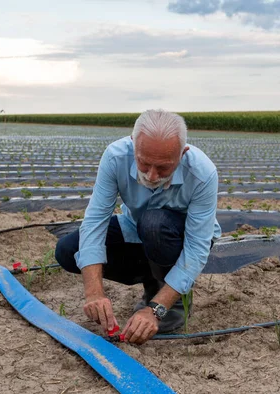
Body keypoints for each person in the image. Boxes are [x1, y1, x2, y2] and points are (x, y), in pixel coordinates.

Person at [55, 109, 220, 345]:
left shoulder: (203, 174)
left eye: (163, 167)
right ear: (133, 145)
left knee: (154, 224)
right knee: (68, 250)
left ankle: (169, 304)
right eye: (144, 162)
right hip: (135, 227)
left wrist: (156, 310)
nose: (152, 175)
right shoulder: (115, 157)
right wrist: (94, 293)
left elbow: (196, 247)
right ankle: (153, 281)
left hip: (177, 238)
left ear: (182, 154)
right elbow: (94, 222)